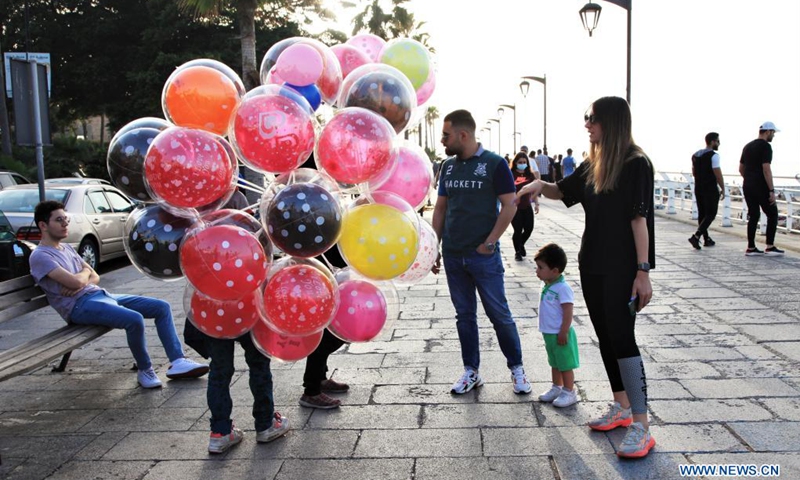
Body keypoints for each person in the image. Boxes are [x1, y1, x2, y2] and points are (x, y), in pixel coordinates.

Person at [518, 96, 656, 458]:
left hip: (623, 268)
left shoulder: (636, 163)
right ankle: (622, 407)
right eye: (586, 118)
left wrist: (643, 273)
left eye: (591, 118)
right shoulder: (592, 164)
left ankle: (641, 425)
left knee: (623, 341)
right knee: (607, 339)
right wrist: (536, 186)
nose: (586, 124)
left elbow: (639, 220)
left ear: (610, 122)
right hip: (592, 263)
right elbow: (560, 191)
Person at [29, 200, 209, 390]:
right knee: (134, 319)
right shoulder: (40, 256)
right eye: (59, 220)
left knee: (160, 307)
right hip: (79, 306)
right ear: (43, 225)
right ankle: (145, 369)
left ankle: (178, 361)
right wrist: (82, 277)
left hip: (99, 295)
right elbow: (78, 281)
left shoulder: (66, 248)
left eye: (66, 219)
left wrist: (81, 278)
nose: (65, 223)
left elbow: (95, 276)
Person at [432, 109, 532, 396]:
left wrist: (490, 242)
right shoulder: (448, 167)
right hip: (453, 253)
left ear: (463, 135)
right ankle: (471, 371)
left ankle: (517, 369)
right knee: (464, 316)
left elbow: (510, 204)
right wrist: (435, 247)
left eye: (446, 135)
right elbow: (440, 208)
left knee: (499, 314)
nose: (443, 140)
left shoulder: (494, 164)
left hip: (483, 256)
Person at [533, 243, 579, 408]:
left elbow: (568, 311)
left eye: (540, 267)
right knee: (555, 362)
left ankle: (569, 391)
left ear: (555, 270)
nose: (537, 271)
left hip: (560, 333)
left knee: (565, 364)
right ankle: (557, 387)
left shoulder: (562, 288)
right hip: (550, 333)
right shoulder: (547, 284)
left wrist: (564, 331)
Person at [739, 122, 784, 256]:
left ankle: (751, 247)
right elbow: (766, 169)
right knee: (772, 214)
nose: (774, 136)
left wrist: (750, 178)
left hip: (748, 185)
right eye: (773, 133)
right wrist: (771, 190)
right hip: (761, 186)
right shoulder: (766, 146)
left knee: (753, 215)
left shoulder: (747, 146)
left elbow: (741, 169)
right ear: (768, 131)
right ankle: (770, 246)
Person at [689, 132, 725, 249]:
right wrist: (723, 188)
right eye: (718, 141)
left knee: (702, 213)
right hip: (710, 188)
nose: (719, 144)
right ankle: (696, 236)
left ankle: (706, 239)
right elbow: (718, 174)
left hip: (698, 187)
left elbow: (694, 172)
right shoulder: (714, 156)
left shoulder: (695, 155)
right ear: (712, 141)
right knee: (711, 214)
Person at [511, 152, 540, 261]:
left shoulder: (530, 175)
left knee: (529, 229)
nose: (522, 164)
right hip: (515, 207)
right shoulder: (511, 174)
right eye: (520, 162)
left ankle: (521, 244)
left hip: (527, 206)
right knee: (517, 230)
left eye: (524, 162)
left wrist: (536, 203)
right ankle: (517, 252)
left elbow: (534, 190)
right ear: (515, 163)